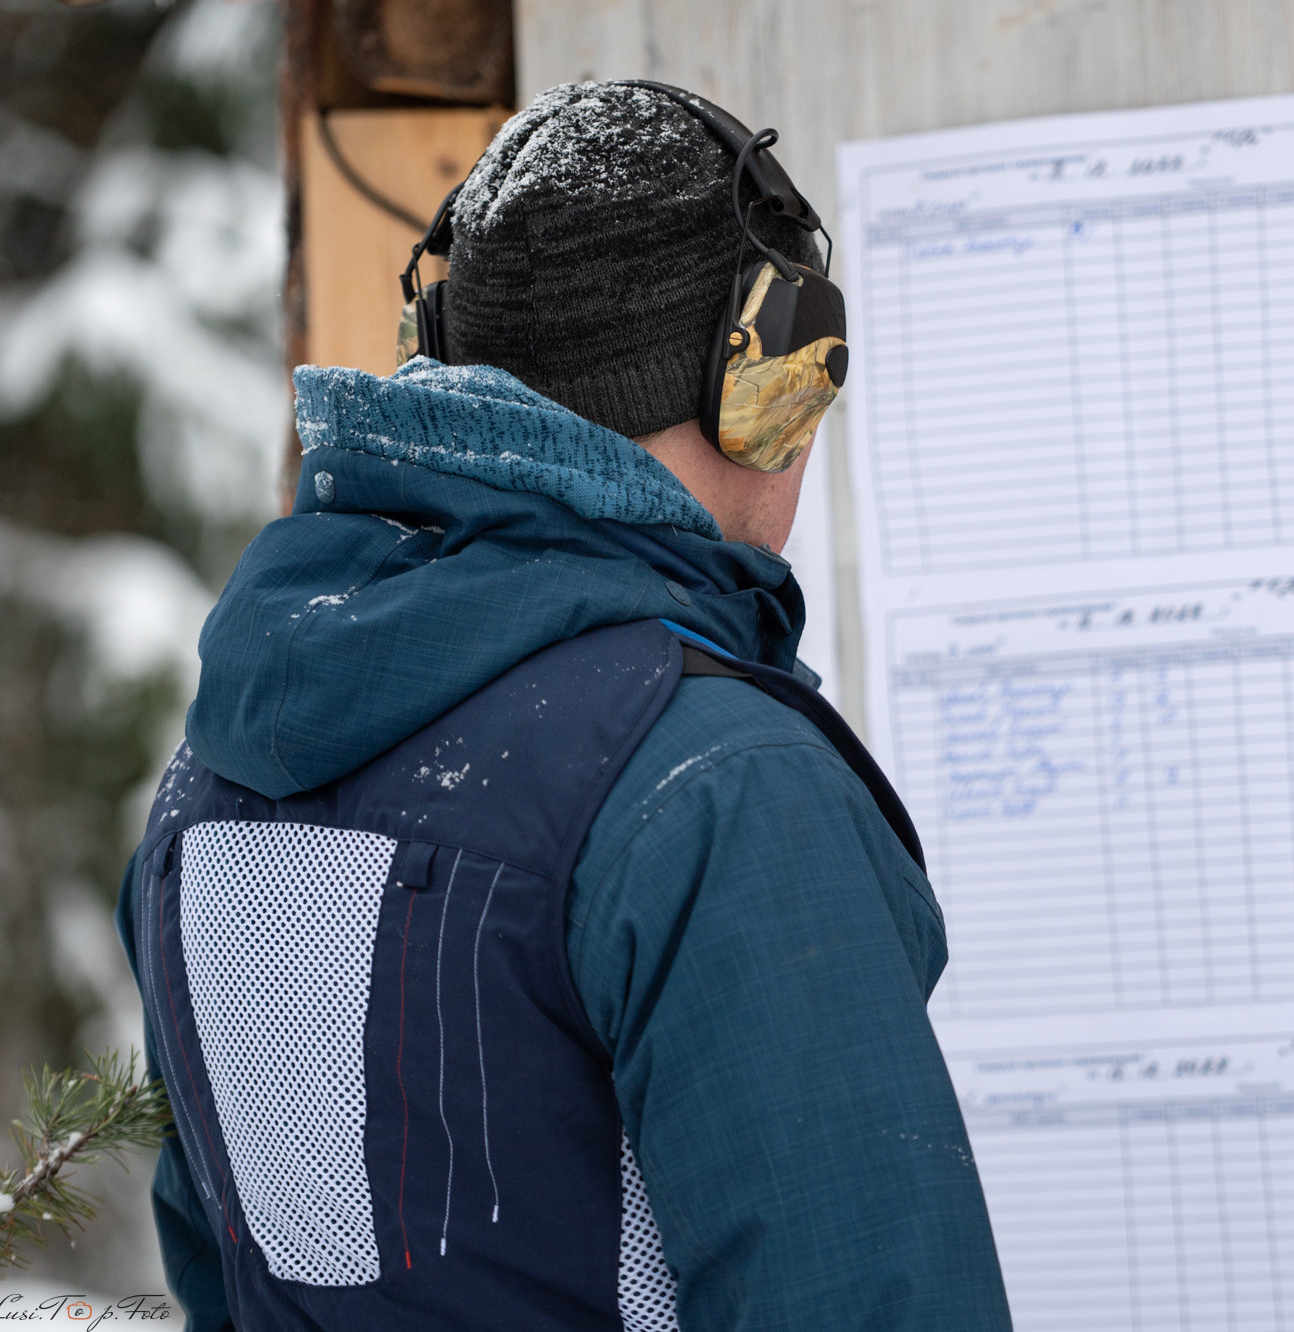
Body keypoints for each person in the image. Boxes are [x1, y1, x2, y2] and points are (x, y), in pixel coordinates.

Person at [115, 81, 1012, 1331]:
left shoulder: (217, 783)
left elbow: (218, 1275)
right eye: (805, 381)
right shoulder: (713, 784)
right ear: (746, 382)